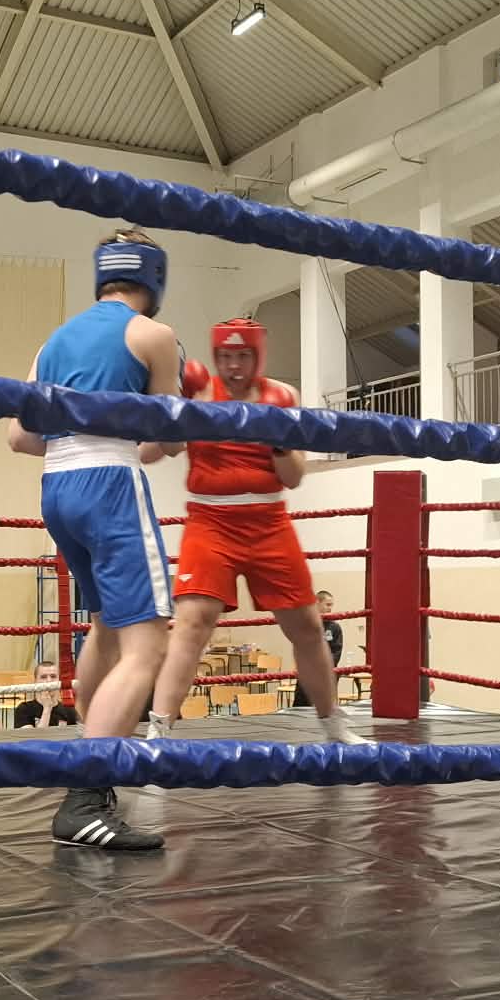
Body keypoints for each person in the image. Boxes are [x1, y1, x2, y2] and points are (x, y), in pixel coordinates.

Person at [8, 228, 183, 852]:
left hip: (57, 489)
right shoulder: (154, 336)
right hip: (110, 486)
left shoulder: (52, 343)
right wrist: (162, 434)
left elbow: (19, 437)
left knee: (106, 625)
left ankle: (96, 766)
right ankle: (84, 796)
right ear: (154, 278)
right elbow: (168, 437)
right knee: (148, 646)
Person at [142, 317, 362, 746]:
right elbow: (156, 452)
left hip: (269, 523)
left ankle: (335, 728)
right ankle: (159, 732)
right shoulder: (200, 392)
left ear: (257, 356)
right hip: (210, 522)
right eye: (225, 356)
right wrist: (178, 410)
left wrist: (275, 437)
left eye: (242, 355)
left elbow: (293, 477)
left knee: (308, 627)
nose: (233, 366)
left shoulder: (283, 397)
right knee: (191, 624)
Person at [290, 591, 347, 708]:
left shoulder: (334, 627)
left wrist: (324, 666)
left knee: (325, 708)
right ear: (317, 603)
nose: (330, 609)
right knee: (301, 706)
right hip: (307, 672)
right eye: (328, 605)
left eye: (331, 605)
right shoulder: (306, 624)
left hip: (325, 674)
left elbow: (336, 652)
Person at [14, 661, 81, 728]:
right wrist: (47, 708)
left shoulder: (69, 712)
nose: (49, 680)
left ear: (59, 680)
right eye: (43, 677)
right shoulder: (24, 709)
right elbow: (32, 735)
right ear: (35, 681)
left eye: (53, 676)